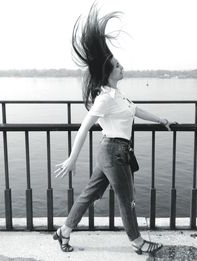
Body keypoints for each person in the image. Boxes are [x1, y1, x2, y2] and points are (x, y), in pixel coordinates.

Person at [52, 3, 176, 255]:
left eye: (119, 64)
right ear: (109, 73)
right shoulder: (105, 99)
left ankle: (63, 231)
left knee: (90, 194)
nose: (121, 67)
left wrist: (161, 119)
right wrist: (72, 158)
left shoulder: (118, 95)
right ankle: (137, 241)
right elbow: (84, 127)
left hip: (115, 151)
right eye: (118, 66)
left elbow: (136, 111)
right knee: (126, 199)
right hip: (113, 152)